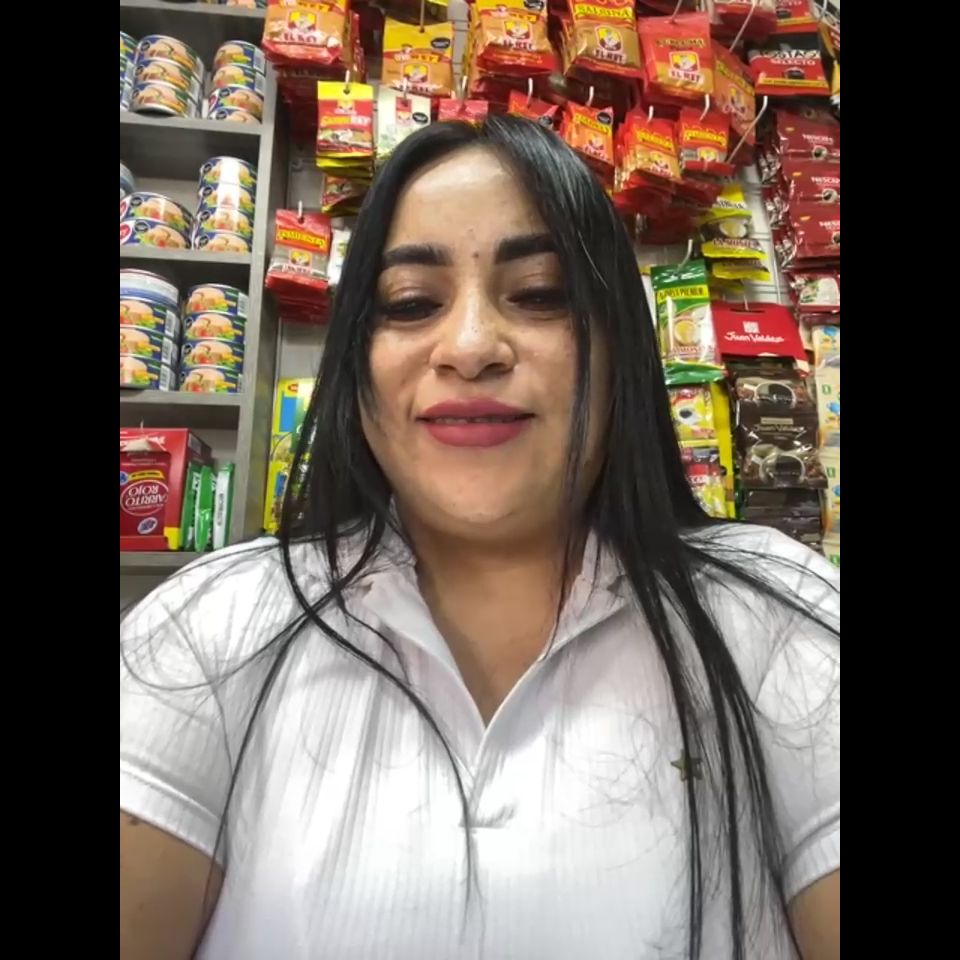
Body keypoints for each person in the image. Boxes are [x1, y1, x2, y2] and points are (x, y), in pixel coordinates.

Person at [120, 116, 839, 960]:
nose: (469, 349)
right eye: (409, 304)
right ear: (355, 360)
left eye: (539, 293)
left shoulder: (778, 616)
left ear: (621, 347)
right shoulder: (211, 629)